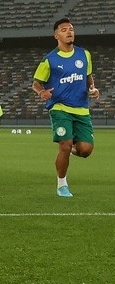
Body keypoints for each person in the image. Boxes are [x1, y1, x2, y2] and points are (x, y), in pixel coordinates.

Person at [31, 17, 100, 197]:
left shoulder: (84, 55)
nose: (69, 32)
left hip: (81, 109)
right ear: (56, 36)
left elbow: (88, 76)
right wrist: (41, 93)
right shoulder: (50, 60)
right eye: (64, 30)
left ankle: (68, 148)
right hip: (60, 107)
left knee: (85, 150)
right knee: (65, 144)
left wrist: (92, 89)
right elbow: (36, 83)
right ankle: (62, 184)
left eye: (71, 29)